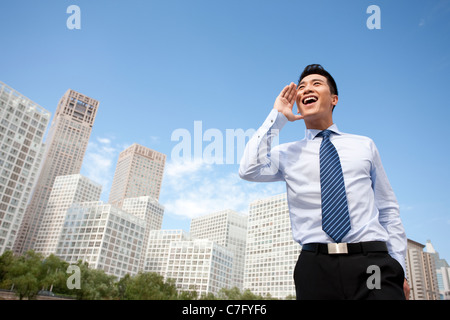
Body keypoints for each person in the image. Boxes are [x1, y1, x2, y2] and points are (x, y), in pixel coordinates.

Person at [239, 64, 410, 300]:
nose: (306, 89)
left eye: (316, 84)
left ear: (334, 99)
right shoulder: (287, 153)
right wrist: (277, 117)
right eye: (301, 87)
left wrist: (399, 266)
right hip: (315, 267)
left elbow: (388, 208)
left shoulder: (364, 145)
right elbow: (248, 169)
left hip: (373, 264)